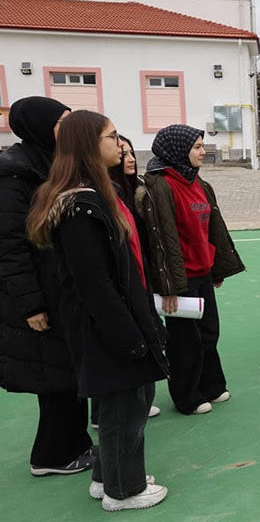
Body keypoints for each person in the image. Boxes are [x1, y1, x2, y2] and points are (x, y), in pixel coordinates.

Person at [26, 110, 169, 511]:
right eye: (111, 136)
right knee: (125, 404)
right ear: (89, 146)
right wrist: (130, 337)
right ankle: (122, 491)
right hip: (106, 326)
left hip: (115, 319)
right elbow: (96, 284)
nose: (119, 143)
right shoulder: (80, 207)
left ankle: (108, 476)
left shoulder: (95, 194)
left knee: (122, 402)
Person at [0, 97, 95, 477]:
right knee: (54, 377)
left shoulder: (49, 166)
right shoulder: (14, 176)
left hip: (60, 290)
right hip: (39, 296)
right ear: (40, 127)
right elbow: (9, 248)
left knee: (68, 371)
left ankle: (74, 444)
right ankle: (52, 455)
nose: (69, 130)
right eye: (62, 123)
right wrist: (31, 305)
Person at [137, 124, 245, 415]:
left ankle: (212, 384)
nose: (203, 151)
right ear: (177, 150)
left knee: (209, 332)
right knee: (185, 341)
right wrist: (168, 286)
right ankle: (186, 396)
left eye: (202, 146)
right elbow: (159, 240)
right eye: (197, 147)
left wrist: (217, 268)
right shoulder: (160, 186)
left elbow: (213, 231)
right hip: (179, 277)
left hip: (203, 272)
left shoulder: (199, 183)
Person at [92, 135, 162, 423]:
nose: (129, 157)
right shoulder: (99, 198)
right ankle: (102, 414)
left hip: (140, 280)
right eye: (122, 151)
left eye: (132, 152)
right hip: (123, 289)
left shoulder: (135, 190)